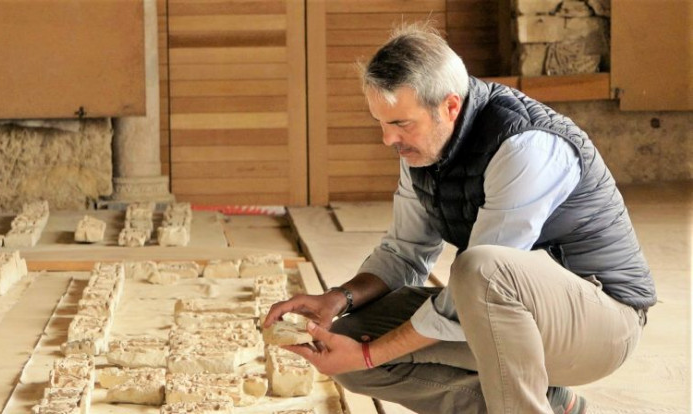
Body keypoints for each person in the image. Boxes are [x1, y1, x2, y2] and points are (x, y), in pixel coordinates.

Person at [264, 23, 655, 414]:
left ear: (450, 107)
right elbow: (404, 253)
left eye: (401, 124)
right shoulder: (423, 148)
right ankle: (553, 405)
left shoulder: (525, 147)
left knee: (479, 269)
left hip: (600, 326)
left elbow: (487, 280)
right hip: (510, 314)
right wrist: (337, 299)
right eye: (381, 123)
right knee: (348, 337)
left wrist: (370, 354)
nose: (388, 139)